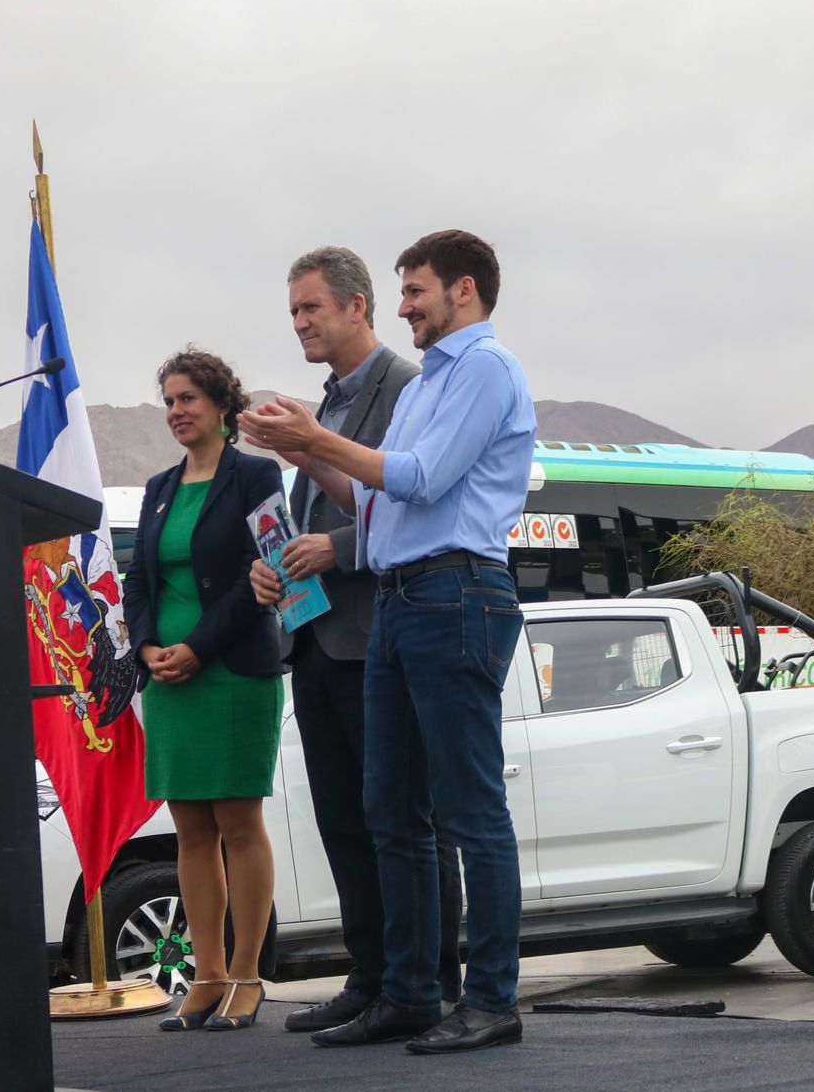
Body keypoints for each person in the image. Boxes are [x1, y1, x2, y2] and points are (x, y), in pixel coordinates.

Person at [241, 230, 534, 1054]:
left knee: (471, 810)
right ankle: (406, 992)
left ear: (465, 290)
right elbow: (376, 504)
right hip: (403, 601)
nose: (404, 306)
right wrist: (301, 448)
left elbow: (422, 478)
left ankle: (491, 999)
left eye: (416, 291)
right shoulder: (429, 384)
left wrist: (313, 440)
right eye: (403, 291)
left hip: (457, 592)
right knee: (389, 812)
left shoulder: (485, 368)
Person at [122, 349, 284, 1032]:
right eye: (168, 401)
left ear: (223, 406)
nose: (176, 411)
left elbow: (265, 569)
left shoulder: (257, 474)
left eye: (188, 398)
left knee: (238, 827)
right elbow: (139, 583)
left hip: (233, 669)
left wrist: (199, 647)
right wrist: (148, 647)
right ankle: (207, 975)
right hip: (170, 680)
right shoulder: (158, 487)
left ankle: (249, 976)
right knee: (190, 831)